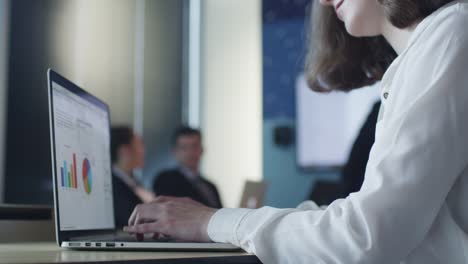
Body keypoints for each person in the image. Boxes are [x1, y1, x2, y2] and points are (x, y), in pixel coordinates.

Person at [124, 0, 468, 263]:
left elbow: (364, 237)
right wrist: (216, 222)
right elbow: (369, 227)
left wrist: (210, 223)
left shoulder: (452, 32)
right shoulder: (434, 47)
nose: (321, 2)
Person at [152, 126, 222, 208]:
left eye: (194, 146)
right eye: (184, 148)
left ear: (202, 149)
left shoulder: (211, 186)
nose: (190, 152)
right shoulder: (166, 180)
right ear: (175, 151)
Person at [111, 126, 156, 228]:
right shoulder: (113, 185)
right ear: (124, 150)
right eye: (140, 145)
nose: (144, 150)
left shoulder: (134, 182)